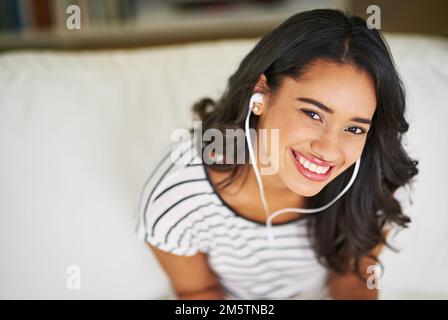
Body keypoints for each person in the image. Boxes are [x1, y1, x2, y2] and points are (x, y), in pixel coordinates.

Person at [135, 8, 418, 300]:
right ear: (261, 94)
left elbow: (352, 282)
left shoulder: (377, 180)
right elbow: (197, 292)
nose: (328, 150)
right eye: (313, 113)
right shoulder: (178, 193)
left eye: (355, 129)